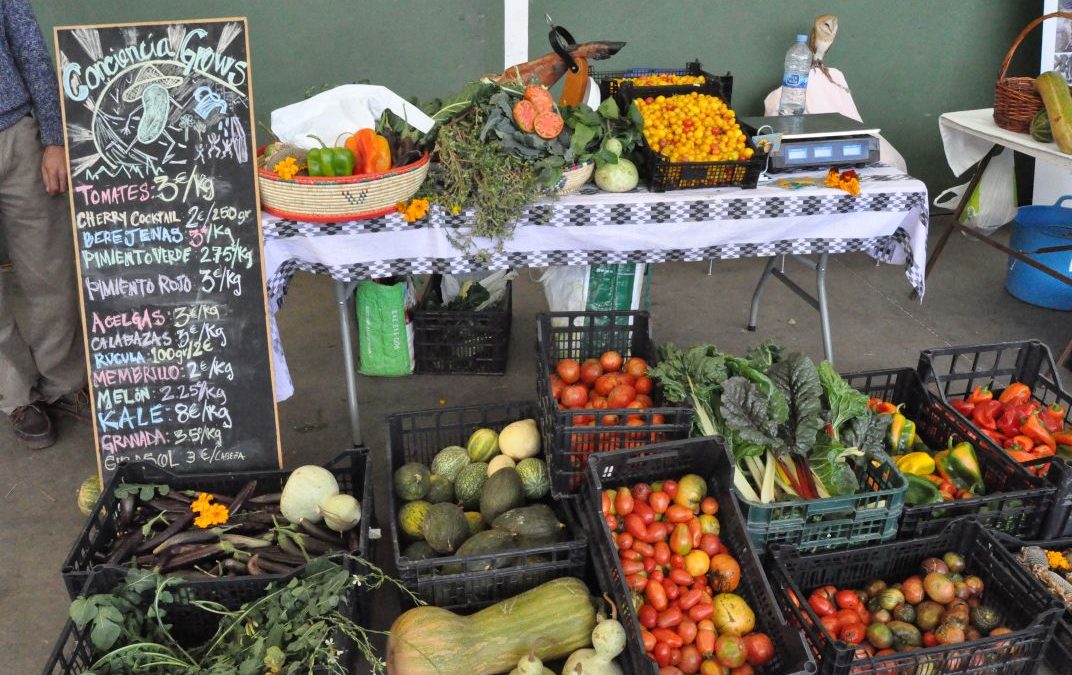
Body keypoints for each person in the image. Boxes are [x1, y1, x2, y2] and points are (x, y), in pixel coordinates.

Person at [0, 0, 88, 449]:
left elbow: (30, 49)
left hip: (14, 133)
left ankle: (63, 382)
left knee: (49, 268)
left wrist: (54, 137)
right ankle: (17, 395)